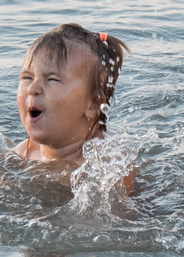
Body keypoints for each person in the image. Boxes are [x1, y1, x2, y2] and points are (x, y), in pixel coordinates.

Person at [12, 23, 134, 192]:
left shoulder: (109, 165)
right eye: (27, 77)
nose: (32, 89)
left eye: (52, 79)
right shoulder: (24, 153)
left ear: (94, 104)